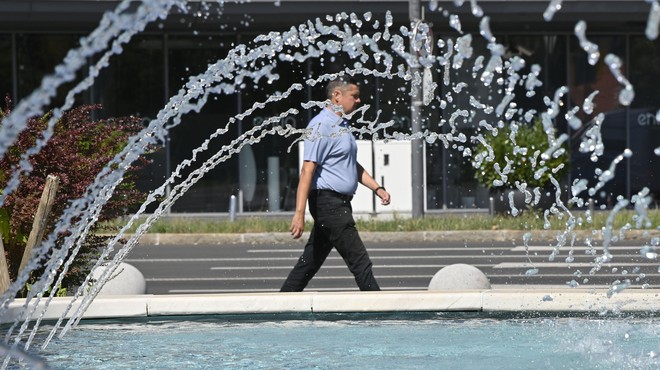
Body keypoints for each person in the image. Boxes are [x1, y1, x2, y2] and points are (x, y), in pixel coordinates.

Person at [280, 76, 391, 292]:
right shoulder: (321, 126)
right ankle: (379, 309)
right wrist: (299, 213)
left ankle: (281, 302)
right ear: (337, 96)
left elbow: (350, 164)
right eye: (354, 96)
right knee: (359, 259)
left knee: (310, 262)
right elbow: (307, 171)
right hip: (328, 203)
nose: (358, 101)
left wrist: (377, 188)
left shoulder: (342, 125)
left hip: (336, 204)